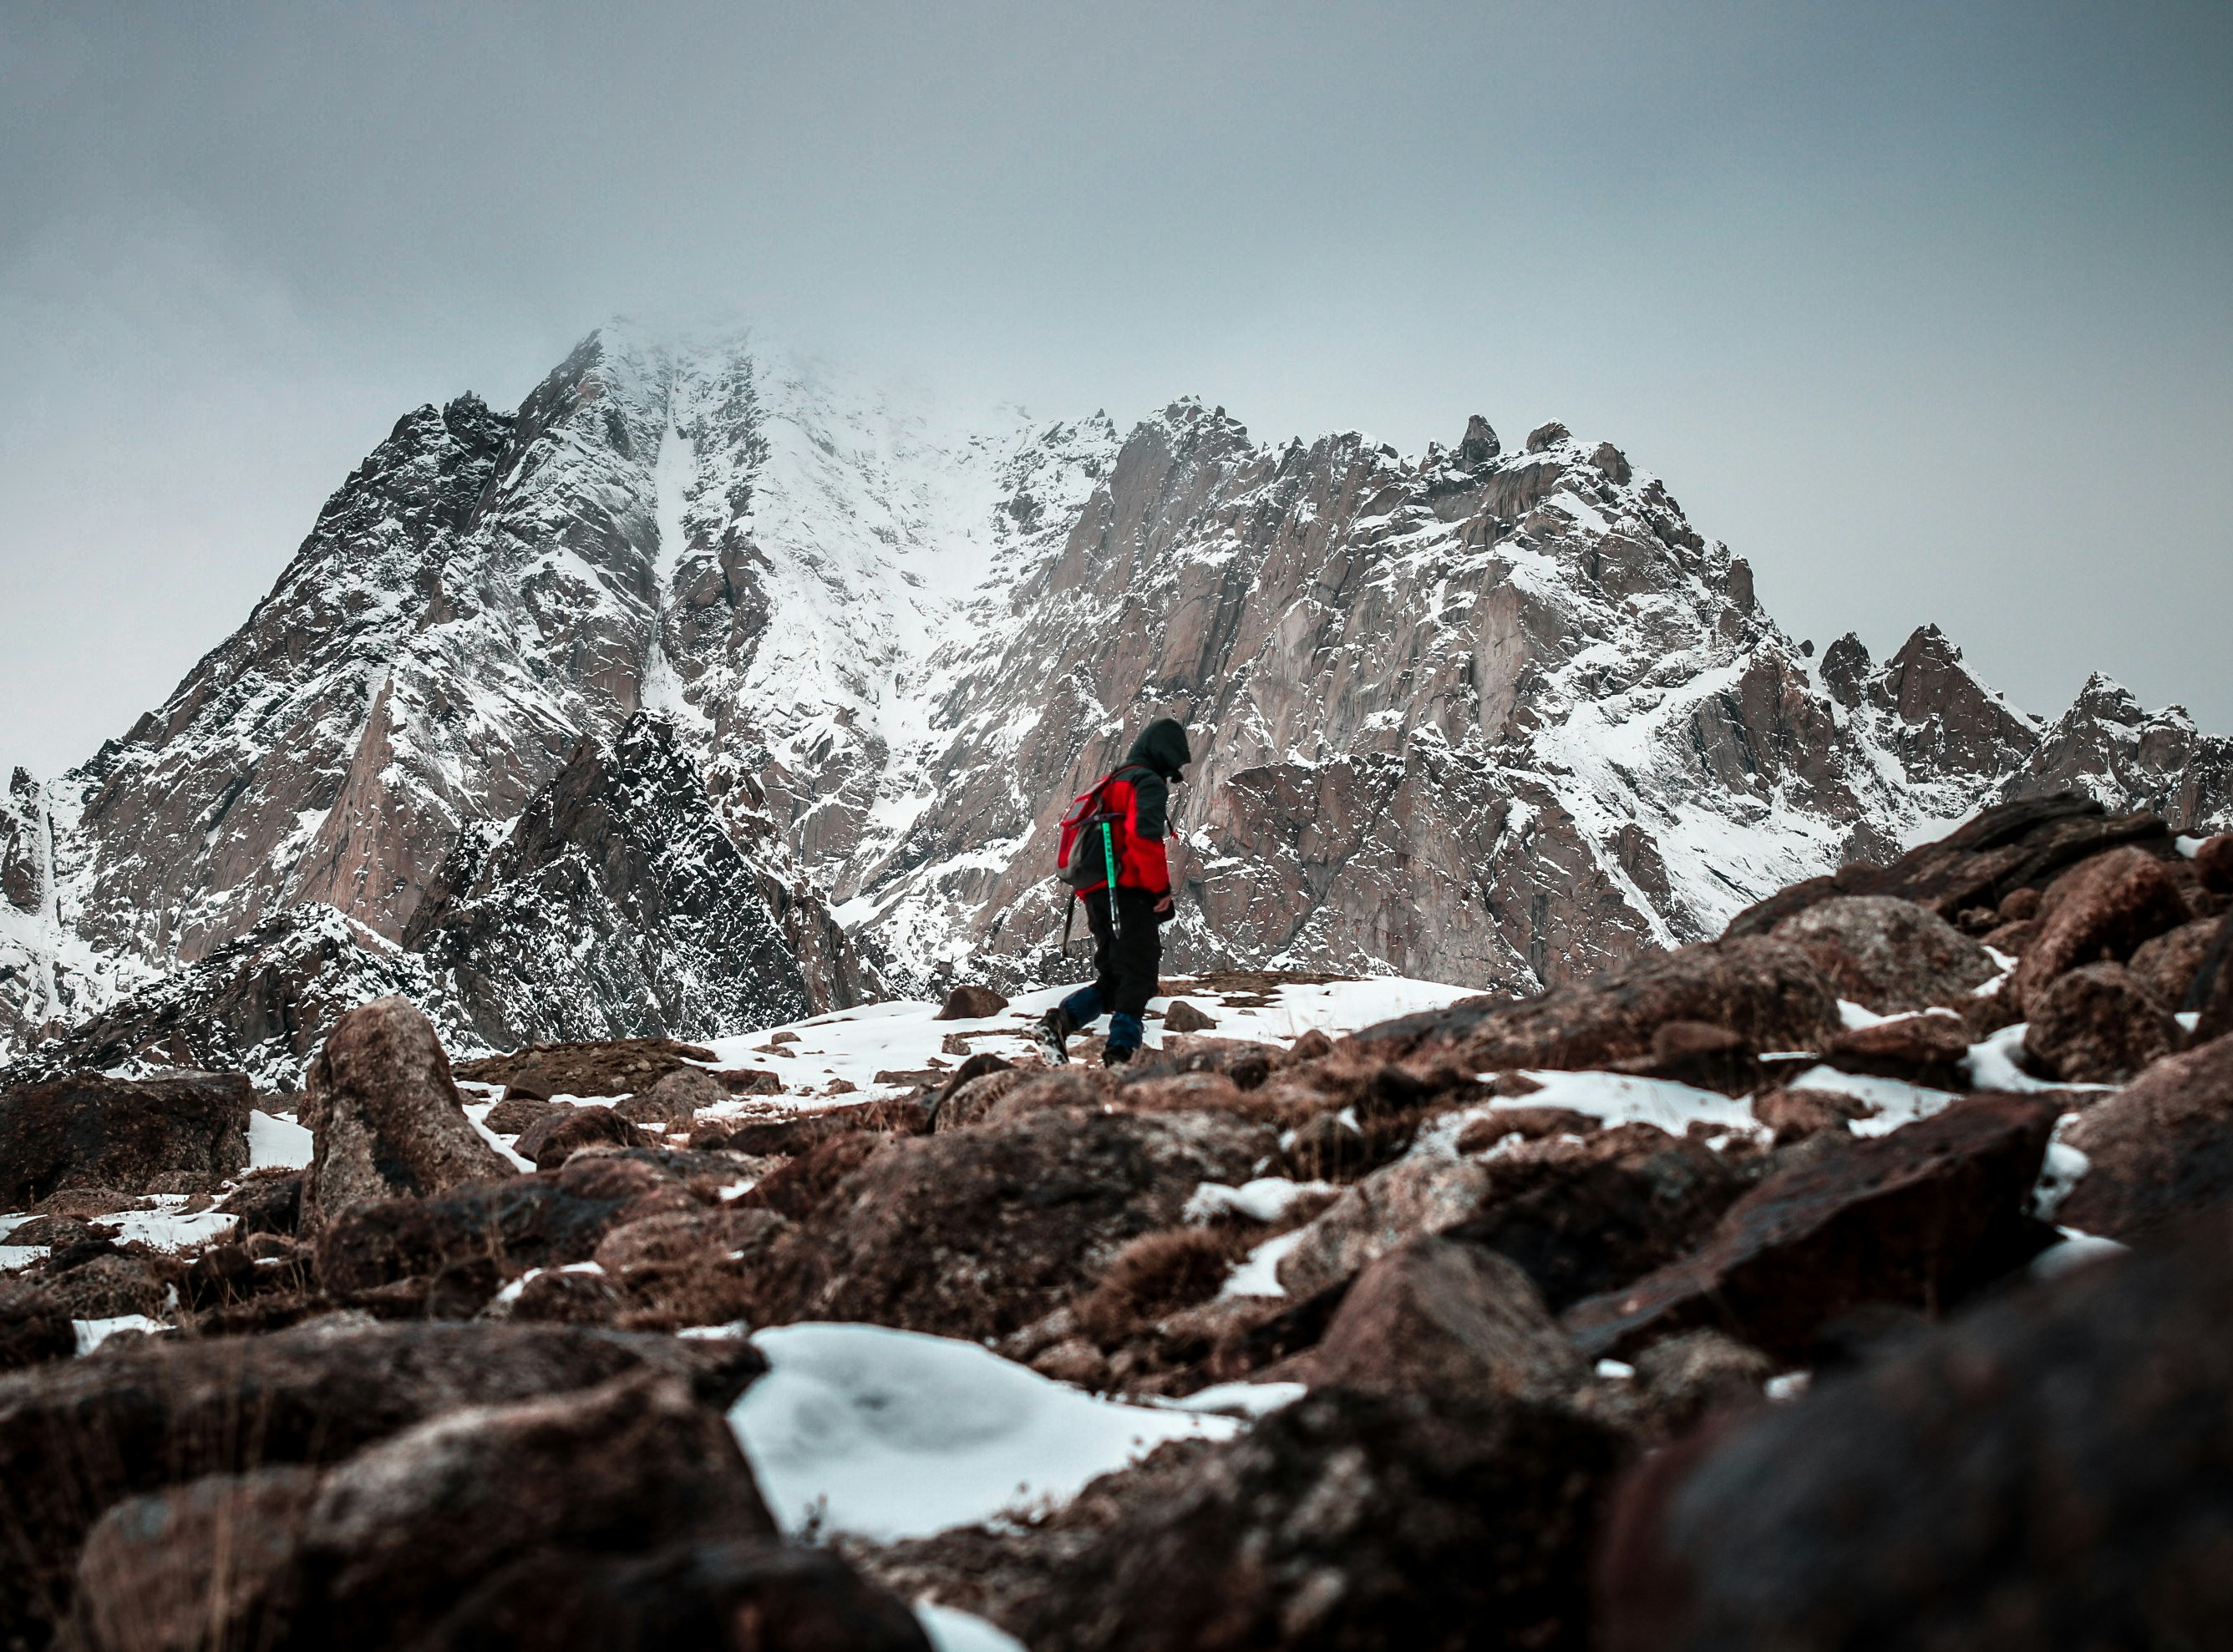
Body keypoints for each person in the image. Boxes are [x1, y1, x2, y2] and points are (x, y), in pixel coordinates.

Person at [1036, 717, 1192, 1067]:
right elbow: (1144, 839)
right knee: (1139, 974)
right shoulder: (1146, 782)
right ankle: (1121, 1055)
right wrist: (1159, 892)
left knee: (1114, 978)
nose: (1173, 775)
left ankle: (1058, 1025)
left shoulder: (1109, 783)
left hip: (1095, 894)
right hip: (1128, 892)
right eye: (1174, 766)